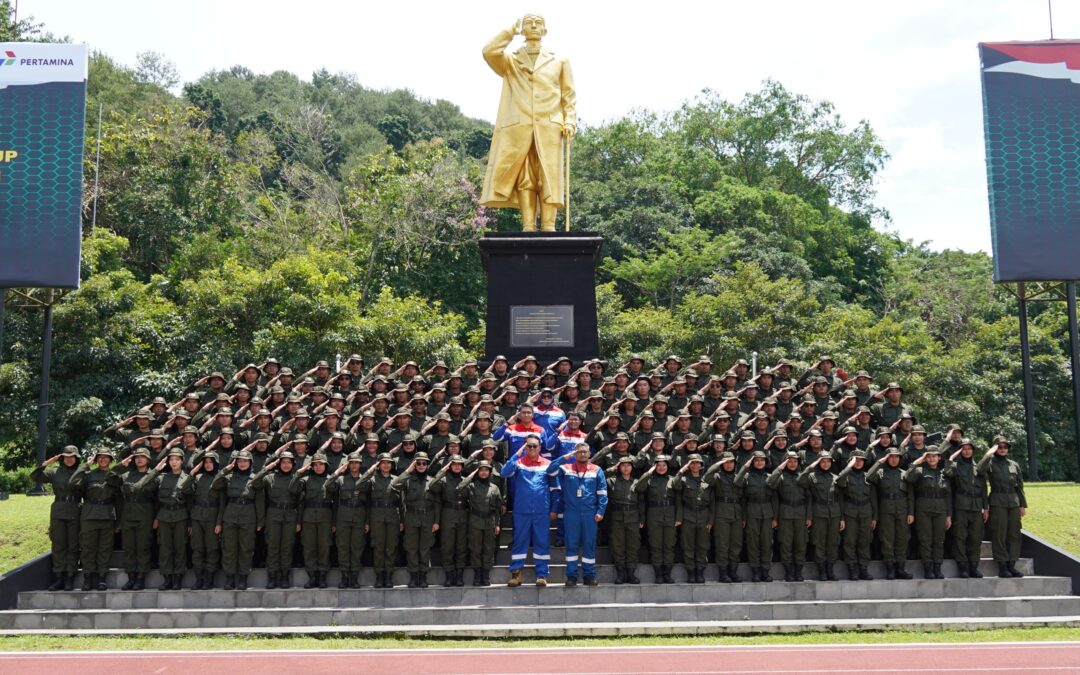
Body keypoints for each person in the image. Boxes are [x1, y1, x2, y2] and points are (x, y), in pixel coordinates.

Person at [480, 14, 577, 232]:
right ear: (522, 29)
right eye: (528, 23)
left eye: (538, 22)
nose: (533, 25)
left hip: (550, 127)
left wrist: (570, 120)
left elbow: (568, 94)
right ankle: (528, 226)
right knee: (525, 177)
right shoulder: (511, 60)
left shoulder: (560, 59)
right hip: (519, 129)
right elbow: (488, 52)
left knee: (549, 176)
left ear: (545, 30)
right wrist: (509, 31)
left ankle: (549, 226)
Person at [548, 443, 608, 586]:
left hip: (590, 513)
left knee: (589, 544)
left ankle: (589, 575)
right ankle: (571, 576)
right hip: (571, 512)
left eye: (585, 452)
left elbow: (602, 492)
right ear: (574, 454)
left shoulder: (597, 470)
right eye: (579, 452)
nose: (582, 454)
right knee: (571, 544)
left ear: (589, 454)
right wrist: (564, 458)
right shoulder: (566, 468)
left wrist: (601, 511)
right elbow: (550, 471)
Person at [502, 434, 556, 587]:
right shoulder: (518, 463)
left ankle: (542, 574)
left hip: (541, 510)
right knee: (519, 542)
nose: (532, 448)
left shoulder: (548, 464)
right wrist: (517, 454)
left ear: (540, 447)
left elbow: (555, 488)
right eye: (529, 446)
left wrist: (554, 509)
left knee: (542, 541)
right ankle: (516, 574)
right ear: (524, 447)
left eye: (535, 446)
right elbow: (504, 472)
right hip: (522, 509)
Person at [31, 446, 83, 591]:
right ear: (62, 458)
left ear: (76, 458)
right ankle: (59, 577)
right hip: (58, 510)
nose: (69, 459)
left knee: (73, 545)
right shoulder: (55, 472)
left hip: (75, 510)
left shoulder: (82, 473)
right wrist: (47, 463)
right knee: (58, 544)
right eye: (66, 456)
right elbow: (35, 477)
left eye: (72, 456)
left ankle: (70, 577)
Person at [212, 449, 264, 590]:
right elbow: (215, 485)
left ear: (250, 463)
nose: (242, 463)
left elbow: (260, 501)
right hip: (230, 514)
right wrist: (226, 470)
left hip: (248, 515)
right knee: (229, 548)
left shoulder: (254, 478)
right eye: (239, 461)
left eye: (245, 461)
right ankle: (229, 578)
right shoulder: (229, 477)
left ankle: (242, 579)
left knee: (246, 548)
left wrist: (260, 521)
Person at [72, 448, 121, 591]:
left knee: (105, 548)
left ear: (110, 460)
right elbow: (73, 483)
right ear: (96, 459)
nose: (103, 459)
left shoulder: (115, 476)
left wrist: (118, 521)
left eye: (106, 457)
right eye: (100, 457)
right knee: (88, 548)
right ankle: (88, 578)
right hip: (89, 515)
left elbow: (119, 500)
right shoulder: (89, 475)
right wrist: (86, 465)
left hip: (107, 515)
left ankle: (101, 578)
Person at [977, 436, 1027, 578]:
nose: (1003, 449)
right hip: (997, 501)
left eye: (1005, 447)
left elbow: (1020, 485)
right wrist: (988, 454)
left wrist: (1022, 504)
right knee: (999, 534)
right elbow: (979, 471)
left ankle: (1012, 565)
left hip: (1013, 502)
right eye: (999, 447)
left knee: (1014, 534)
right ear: (994, 448)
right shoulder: (990, 463)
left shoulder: (1013, 464)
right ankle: (1002, 567)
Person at [392, 452, 441, 588]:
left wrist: (436, 521)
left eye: (424, 463)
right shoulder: (408, 480)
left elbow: (437, 502)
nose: (421, 465)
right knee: (411, 547)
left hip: (428, 517)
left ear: (427, 465)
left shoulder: (432, 481)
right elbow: (394, 485)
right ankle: (414, 576)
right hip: (411, 517)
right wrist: (408, 471)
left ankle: (423, 575)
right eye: (418, 463)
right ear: (414, 464)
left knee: (425, 547)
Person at [253, 451, 300, 589]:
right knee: (273, 547)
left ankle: (284, 576)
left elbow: (301, 501)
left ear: (293, 464)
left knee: (287, 547)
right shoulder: (270, 477)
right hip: (273, 515)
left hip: (290, 515)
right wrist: (268, 467)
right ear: (278, 464)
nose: (286, 465)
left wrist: (299, 521)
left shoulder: (297, 478)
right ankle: (272, 577)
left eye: (289, 462)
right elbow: (255, 482)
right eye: (283, 462)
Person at [866, 447, 914, 580]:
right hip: (886, 510)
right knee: (887, 539)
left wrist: (911, 513)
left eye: (896, 457)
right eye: (891, 457)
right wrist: (880, 462)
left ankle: (900, 569)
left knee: (902, 539)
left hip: (902, 510)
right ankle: (890, 569)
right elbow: (868, 477)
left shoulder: (905, 474)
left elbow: (910, 495)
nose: (894, 459)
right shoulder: (880, 473)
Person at [904, 447, 952, 579]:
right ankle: (928, 568)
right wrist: (918, 461)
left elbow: (948, 496)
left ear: (939, 457)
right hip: (923, 510)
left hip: (941, 510)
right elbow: (908, 477)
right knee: (925, 540)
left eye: (934, 456)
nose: (932, 459)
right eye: (929, 456)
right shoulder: (920, 471)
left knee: (939, 540)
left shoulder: (944, 473)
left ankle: (937, 567)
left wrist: (949, 515)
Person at [114, 447, 157, 591]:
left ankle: (140, 578)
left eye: (142, 457)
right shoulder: (126, 475)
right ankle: (131, 577)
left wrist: (156, 517)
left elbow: (158, 500)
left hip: (145, 515)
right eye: (137, 457)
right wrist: (121, 465)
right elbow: (110, 478)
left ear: (148, 460)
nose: (139, 459)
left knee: (143, 547)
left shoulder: (154, 476)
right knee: (129, 548)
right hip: (128, 515)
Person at [632, 454, 680, 584]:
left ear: (668, 466)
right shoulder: (649, 480)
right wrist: (649, 472)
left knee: (669, 545)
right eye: (658, 465)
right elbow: (639, 487)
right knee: (656, 545)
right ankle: (658, 575)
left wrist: (678, 517)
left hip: (670, 515)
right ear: (654, 466)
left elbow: (678, 499)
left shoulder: (672, 480)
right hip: (654, 515)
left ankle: (667, 574)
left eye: (664, 465)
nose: (661, 467)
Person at [357, 453, 402, 589]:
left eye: (389, 463)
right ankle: (379, 576)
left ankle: (388, 576)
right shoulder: (372, 480)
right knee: (378, 547)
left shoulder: (396, 479)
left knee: (391, 547)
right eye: (383, 463)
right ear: (378, 465)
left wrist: (402, 520)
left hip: (393, 516)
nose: (386, 465)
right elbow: (359, 485)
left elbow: (402, 502)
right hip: (376, 517)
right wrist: (371, 470)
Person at [458, 460, 504, 586]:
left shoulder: (494, 488)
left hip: (490, 521)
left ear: (490, 472)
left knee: (488, 548)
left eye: (486, 470)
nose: (484, 473)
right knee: (475, 548)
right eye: (481, 470)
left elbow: (497, 508)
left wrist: (497, 524)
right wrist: (471, 475)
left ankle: (485, 574)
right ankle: (477, 575)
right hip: (475, 520)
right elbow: (460, 488)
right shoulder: (471, 486)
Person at [946, 438, 987, 579]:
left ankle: (974, 567)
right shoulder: (955, 466)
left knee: (975, 538)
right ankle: (963, 567)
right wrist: (951, 459)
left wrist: (986, 507)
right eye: (963, 449)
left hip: (976, 506)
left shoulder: (978, 467)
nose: (967, 451)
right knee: (960, 537)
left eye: (969, 449)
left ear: (973, 451)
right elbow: (947, 473)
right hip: (961, 506)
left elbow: (983, 488)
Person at [151, 449, 191, 590]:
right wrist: (156, 470)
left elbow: (191, 502)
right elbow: (148, 490)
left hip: (181, 516)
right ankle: (167, 578)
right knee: (165, 548)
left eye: (177, 459)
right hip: (164, 516)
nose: (174, 462)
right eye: (171, 459)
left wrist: (190, 523)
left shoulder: (187, 478)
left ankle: (178, 578)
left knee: (180, 548)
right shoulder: (161, 477)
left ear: (182, 461)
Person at [799, 454, 843, 582]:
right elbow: (801, 480)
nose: (826, 464)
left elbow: (840, 499)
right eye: (823, 461)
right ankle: (822, 571)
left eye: (828, 461)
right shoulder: (812, 477)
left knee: (833, 542)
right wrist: (812, 465)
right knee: (819, 542)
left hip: (834, 513)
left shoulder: (835, 477)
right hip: (818, 512)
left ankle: (830, 570)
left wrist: (842, 518)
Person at [294, 452, 334, 589]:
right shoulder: (305, 480)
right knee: (309, 547)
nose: (318, 467)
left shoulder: (331, 480)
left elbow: (337, 502)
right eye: (315, 465)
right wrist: (300, 472)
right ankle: (311, 576)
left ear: (326, 466)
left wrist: (334, 522)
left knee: (324, 546)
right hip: (309, 517)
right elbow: (293, 490)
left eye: (321, 464)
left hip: (326, 517)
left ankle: (322, 576)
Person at [735, 450, 777, 582]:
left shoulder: (769, 477)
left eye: (762, 460)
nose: (759, 462)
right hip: (752, 512)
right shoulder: (747, 476)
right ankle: (756, 572)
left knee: (767, 542)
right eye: (756, 460)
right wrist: (745, 467)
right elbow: (737, 483)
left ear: (766, 462)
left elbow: (775, 499)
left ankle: (765, 571)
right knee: (753, 543)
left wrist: (775, 518)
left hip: (767, 512)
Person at [430, 454, 470, 587]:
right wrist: (443, 470)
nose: (457, 466)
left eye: (459, 464)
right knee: (448, 546)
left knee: (461, 546)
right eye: (454, 464)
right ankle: (449, 575)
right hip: (448, 514)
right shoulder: (444, 480)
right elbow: (432, 485)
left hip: (463, 514)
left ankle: (459, 576)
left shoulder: (466, 480)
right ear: (449, 466)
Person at [329, 451, 368, 589]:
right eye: (351, 463)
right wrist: (338, 471)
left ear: (360, 464)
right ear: (348, 464)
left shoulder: (365, 480)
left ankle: (354, 578)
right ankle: (345, 577)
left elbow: (369, 503)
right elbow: (328, 485)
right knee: (343, 547)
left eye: (357, 463)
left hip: (359, 517)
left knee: (357, 547)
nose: (354, 465)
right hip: (343, 517)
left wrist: (367, 522)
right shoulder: (341, 480)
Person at [769, 451, 810, 582]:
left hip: (801, 513)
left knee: (801, 543)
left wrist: (809, 516)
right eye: (789, 461)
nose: (792, 464)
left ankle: (798, 571)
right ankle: (789, 572)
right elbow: (771, 485)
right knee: (786, 543)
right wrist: (775, 518)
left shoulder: (803, 477)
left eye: (795, 461)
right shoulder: (780, 477)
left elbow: (809, 498)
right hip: (785, 513)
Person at [184, 450, 222, 589]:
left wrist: (219, 523)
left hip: (212, 517)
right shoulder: (198, 477)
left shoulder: (220, 478)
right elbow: (186, 490)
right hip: (197, 517)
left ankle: (209, 579)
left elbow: (222, 503)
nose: (208, 464)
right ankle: (199, 579)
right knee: (197, 548)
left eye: (211, 462)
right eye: (205, 462)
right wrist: (192, 473)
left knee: (212, 548)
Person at [704, 452, 744, 583]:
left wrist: (744, 517)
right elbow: (707, 478)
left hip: (737, 513)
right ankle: (723, 573)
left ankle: (733, 572)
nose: (729, 464)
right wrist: (718, 464)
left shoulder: (739, 477)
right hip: (721, 513)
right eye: (726, 462)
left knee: (736, 544)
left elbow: (744, 498)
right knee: (722, 544)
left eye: (731, 462)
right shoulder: (717, 476)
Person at [836, 450, 875, 581]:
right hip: (850, 512)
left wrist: (875, 517)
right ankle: (852, 569)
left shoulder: (867, 476)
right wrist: (849, 466)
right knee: (850, 541)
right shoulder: (846, 476)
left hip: (866, 513)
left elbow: (873, 498)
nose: (858, 462)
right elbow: (839, 482)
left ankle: (863, 569)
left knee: (865, 541)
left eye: (861, 460)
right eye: (856, 460)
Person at [605, 456, 644, 584]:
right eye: (623, 465)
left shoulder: (637, 482)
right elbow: (600, 477)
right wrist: (612, 469)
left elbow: (641, 502)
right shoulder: (612, 481)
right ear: (619, 467)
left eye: (628, 465)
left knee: (633, 545)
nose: (626, 468)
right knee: (618, 546)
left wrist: (642, 518)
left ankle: (631, 573)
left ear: (632, 467)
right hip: (617, 517)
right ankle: (620, 573)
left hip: (633, 517)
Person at [673, 454, 711, 583]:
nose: (695, 465)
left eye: (697, 463)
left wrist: (711, 520)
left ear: (701, 465)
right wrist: (682, 470)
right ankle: (690, 572)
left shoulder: (706, 480)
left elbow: (712, 502)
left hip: (703, 516)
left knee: (702, 546)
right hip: (688, 515)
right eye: (692, 463)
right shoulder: (683, 479)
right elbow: (675, 486)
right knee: (688, 546)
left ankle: (700, 572)